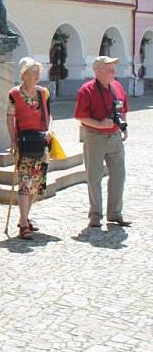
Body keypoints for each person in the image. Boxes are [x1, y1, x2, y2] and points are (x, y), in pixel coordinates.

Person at [74, 56, 131, 228]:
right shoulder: (86, 90)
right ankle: (95, 216)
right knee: (94, 177)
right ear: (98, 72)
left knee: (119, 175)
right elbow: (80, 116)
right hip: (95, 137)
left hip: (114, 137)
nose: (115, 73)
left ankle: (115, 213)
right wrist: (99, 124)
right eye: (111, 70)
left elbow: (123, 108)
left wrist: (124, 126)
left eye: (114, 69)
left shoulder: (117, 86)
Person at [7, 57, 52, 240]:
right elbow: (10, 117)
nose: (37, 76)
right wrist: (13, 140)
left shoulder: (44, 93)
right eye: (33, 73)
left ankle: (24, 216)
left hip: (41, 142)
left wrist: (49, 130)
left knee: (36, 185)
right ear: (24, 75)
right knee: (25, 183)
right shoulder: (14, 94)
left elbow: (49, 114)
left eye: (38, 73)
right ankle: (24, 223)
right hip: (24, 142)